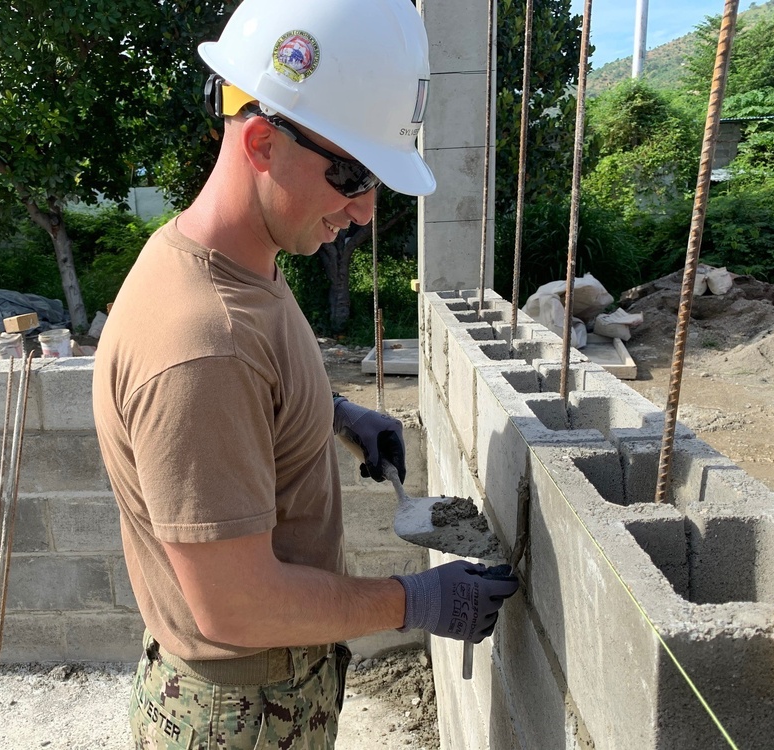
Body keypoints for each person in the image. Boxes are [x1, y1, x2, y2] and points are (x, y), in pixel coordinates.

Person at [92, 0, 519, 747]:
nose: (362, 210)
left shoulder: (242, 265)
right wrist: (415, 602)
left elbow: (251, 386)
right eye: (352, 174)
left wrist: (333, 413)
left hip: (263, 696)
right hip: (240, 716)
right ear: (261, 140)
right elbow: (237, 607)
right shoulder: (203, 347)